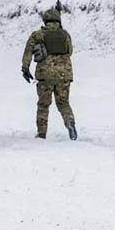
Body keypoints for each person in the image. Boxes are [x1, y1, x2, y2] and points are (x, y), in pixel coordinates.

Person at [21, 8, 77, 140]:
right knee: (63, 103)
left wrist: (25, 68)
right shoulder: (65, 34)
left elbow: (28, 52)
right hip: (64, 73)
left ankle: (42, 133)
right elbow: (69, 51)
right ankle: (70, 123)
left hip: (45, 74)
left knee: (43, 104)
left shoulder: (38, 35)